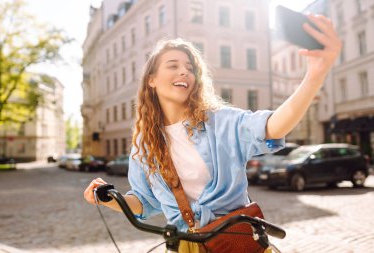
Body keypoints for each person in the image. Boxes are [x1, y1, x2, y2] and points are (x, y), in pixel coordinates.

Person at [84, 13, 341, 250]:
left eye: (190, 67)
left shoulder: (220, 121)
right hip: (185, 244)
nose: (184, 70)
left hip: (238, 241)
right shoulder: (145, 142)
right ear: (151, 80)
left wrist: (314, 76)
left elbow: (272, 126)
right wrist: (109, 198)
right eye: (173, 65)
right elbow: (143, 203)